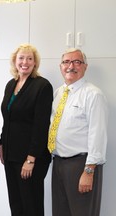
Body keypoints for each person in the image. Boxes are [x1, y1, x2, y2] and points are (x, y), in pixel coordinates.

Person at [49, 48, 108, 216]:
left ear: (85, 67)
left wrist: (89, 171)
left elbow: (98, 134)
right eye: (66, 62)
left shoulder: (93, 94)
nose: (71, 66)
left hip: (81, 165)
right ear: (60, 66)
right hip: (59, 163)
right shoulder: (59, 93)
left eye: (77, 62)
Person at [0, 43, 53, 216]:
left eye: (30, 58)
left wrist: (31, 159)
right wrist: (1, 144)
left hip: (31, 158)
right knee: (16, 204)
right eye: (21, 58)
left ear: (35, 63)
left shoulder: (42, 86)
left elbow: (41, 125)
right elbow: (8, 118)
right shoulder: (11, 84)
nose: (25, 62)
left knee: (31, 205)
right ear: (15, 61)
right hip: (11, 155)